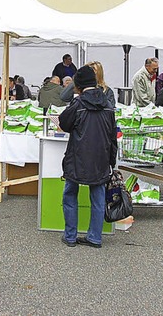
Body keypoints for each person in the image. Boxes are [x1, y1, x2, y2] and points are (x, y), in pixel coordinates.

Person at [59, 65, 117, 249]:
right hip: (101, 158)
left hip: (77, 157)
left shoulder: (78, 104)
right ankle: (95, 237)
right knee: (98, 197)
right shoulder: (108, 104)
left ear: (79, 85)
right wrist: (112, 161)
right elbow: (112, 136)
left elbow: (64, 122)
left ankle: (70, 236)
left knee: (70, 194)